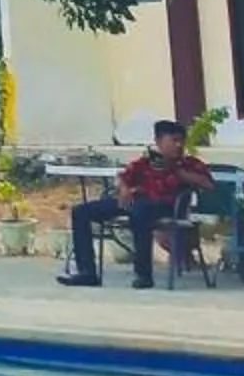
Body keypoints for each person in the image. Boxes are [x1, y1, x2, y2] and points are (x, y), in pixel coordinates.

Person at [59, 120, 218, 288]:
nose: (178, 145)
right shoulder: (145, 163)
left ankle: (143, 275)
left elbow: (209, 185)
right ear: (158, 141)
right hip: (136, 201)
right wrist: (125, 189)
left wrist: (179, 172)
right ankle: (87, 272)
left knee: (140, 213)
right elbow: (122, 177)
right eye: (173, 141)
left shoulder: (189, 164)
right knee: (81, 212)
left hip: (167, 206)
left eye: (181, 141)